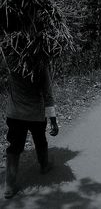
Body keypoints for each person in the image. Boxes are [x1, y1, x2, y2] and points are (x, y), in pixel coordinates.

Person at [4, 66, 59, 199]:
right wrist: (53, 120)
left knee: (14, 148)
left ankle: (9, 186)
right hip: (36, 114)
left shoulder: (12, 64)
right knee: (40, 140)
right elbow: (48, 94)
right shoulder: (41, 67)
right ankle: (44, 166)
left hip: (15, 114)